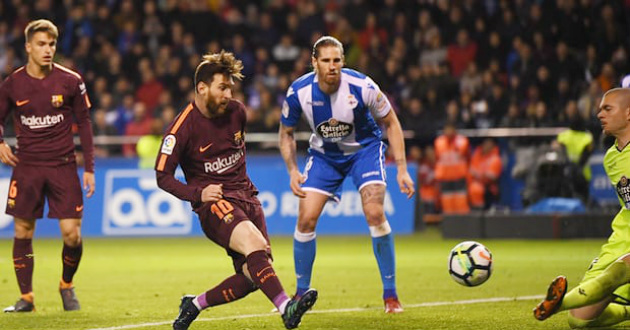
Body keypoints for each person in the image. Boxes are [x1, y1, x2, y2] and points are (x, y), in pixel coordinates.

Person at [155, 51, 317, 330]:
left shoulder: (237, 112)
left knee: (253, 275)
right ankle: (285, 308)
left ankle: (193, 305)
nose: (228, 93)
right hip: (214, 203)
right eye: (222, 87)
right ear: (202, 88)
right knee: (255, 248)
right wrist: (197, 194)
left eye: (230, 87)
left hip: (247, 197)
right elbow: (161, 176)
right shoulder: (181, 129)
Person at [278, 36, 415, 313]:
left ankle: (391, 295)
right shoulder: (298, 92)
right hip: (324, 157)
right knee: (305, 219)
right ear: (314, 62)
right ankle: (300, 294)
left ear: (343, 61)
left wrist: (401, 168)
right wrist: (292, 170)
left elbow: (391, 122)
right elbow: (286, 133)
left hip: (364, 152)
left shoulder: (363, 86)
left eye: (337, 60)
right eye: (326, 60)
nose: (332, 66)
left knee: (375, 213)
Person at [0, 19, 95, 312]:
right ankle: (26, 297)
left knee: (72, 234)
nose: (47, 50)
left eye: (52, 44)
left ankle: (66, 285)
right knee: (23, 232)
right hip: (27, 166)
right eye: (41, 44)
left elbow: (85, 123)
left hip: (63, 166)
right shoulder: (12, 84)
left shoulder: (71, 81)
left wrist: (89, 167)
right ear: (28, 47)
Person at [534, 88, 630, 327]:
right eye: (599, 109)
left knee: (617, 273)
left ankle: (558, 303)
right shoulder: (612, 158)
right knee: (579, 321)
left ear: (629, 114)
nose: (599, 114)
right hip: (624, 237)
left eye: (607, 108)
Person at [434, 122, 470, 214]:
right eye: (447, 129)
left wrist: (453, 143)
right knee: (447, 201)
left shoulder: (462, 141)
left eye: (451, 129)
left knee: (461, 201)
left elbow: (464, 153)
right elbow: (437, 157)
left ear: (455, 130)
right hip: (445, 176)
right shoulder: (439, 142)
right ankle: (450, 223)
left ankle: (463, 222)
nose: (448, 131)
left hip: (459, 176)